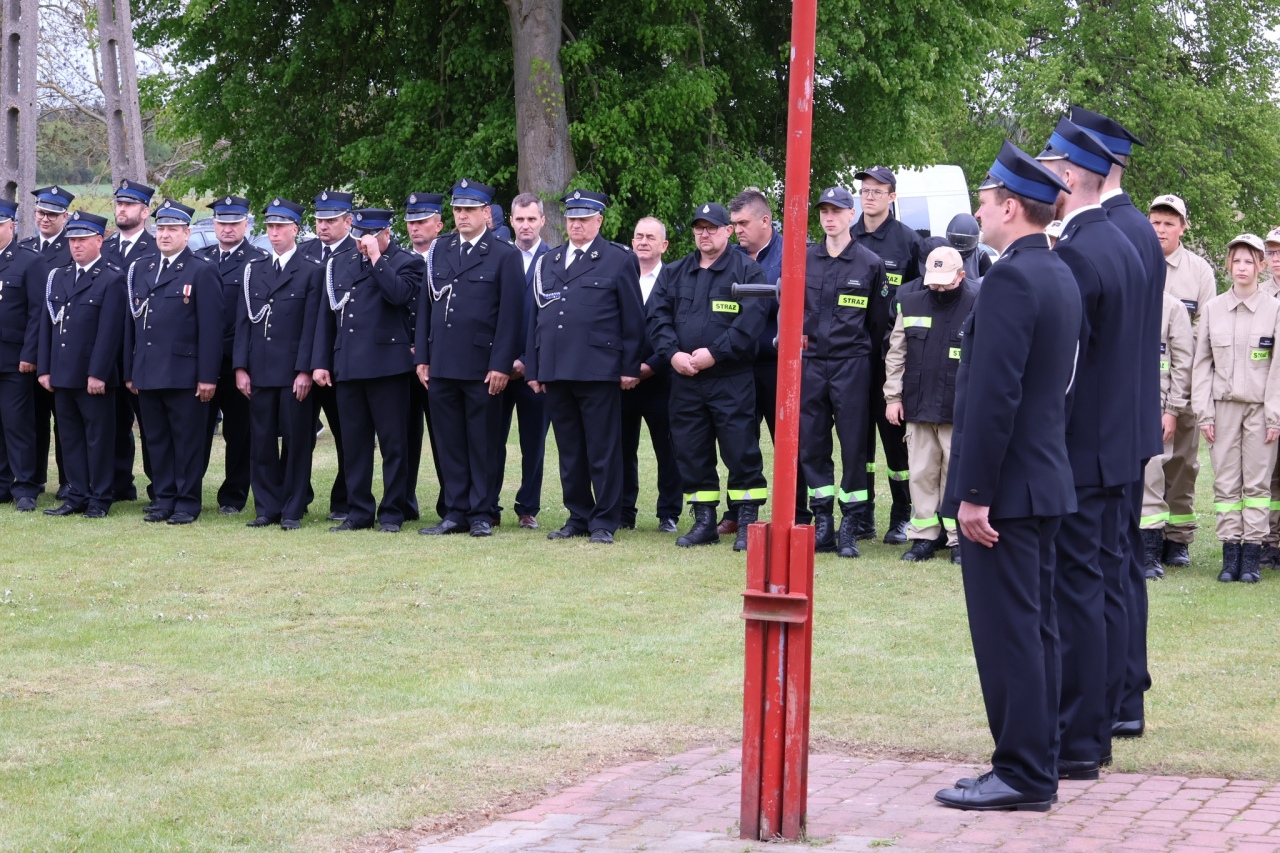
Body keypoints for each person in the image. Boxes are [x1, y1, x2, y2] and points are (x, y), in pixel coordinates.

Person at [934, 141, 1080, 813]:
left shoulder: (1012, 280)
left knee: (1010, 632)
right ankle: (1035, 759)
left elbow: (995, 397)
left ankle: (1022, 770)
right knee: (1038, 627)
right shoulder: (1057, 273)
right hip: (1043, 478)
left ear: (1011, 207)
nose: (979, 210)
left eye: (987, 200)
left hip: (1008, 491)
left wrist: (974, 494)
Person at [1037, 117, 1145, 781]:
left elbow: (1067, 372)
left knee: (1077, 591)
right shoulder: (1121, 242)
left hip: (1083, 448)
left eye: (1051, 167)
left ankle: (1079, 736)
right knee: (1099, 586)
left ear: (1072, 174)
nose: (1045, 178)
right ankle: (1097, 725)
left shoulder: (1080, 249)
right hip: (1115, 444)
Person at [1069, 106, 1164, 746]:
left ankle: (1121, 692)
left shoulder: (1116, 231)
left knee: (1110, 566)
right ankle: (1126, 690)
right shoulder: (1134, 228)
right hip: (1128, 421)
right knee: (1121, 561)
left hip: (1107, 426)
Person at [647, 202, 769, 551]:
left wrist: (715, 353)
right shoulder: (675, 271)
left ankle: (747, 521)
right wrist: (673, 354)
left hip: (730, 378)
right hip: (685, 379)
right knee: (691, 450)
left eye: (711, 227)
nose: (704, 233)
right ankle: (704, 521)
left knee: (741, 450)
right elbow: (657, 317)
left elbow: (752, 320)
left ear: (727, 231)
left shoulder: (747, 271)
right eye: (698, 227)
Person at [525, 189, 645, 543]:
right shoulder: (549, 260)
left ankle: (605, 520)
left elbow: (633, 321)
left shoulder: (618, 259)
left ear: (599, 221)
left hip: (598, 369)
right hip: (557, 370)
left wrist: (629, 368)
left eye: (584, 218)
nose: (576, 224)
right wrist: (534, 369)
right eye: (571, 218)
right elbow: (536, 318)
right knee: (570, 449)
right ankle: (578, 514)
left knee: (603, 448)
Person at [415, 179, 524, 537]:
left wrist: (501, 365)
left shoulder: (503, 255)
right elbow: (426, 308)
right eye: (458, 210)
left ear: (485, 214)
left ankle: (481, 511)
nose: (461, 216)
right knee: (449, 442)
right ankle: (455, 511)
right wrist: (424, 357)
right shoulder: (439, 250)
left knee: (482, 442)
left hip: (482, 365)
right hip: (443, 362)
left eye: (469, 210)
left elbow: (511, 316)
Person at [312, 207, 422, 533]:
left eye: (372, 235)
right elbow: (327, 318)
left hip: (388, 368)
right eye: (362, 235)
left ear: (387, 233)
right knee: (354, 445)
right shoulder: (340, 264)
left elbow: (399, 294)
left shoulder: (407, 262)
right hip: (349, 365)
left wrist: (377, 259)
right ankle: (358, 511)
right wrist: (321, 361)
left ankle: (392, 512)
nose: (365, 241)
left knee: (393, 445)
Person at [798, 186, 887, 558]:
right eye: (823, 211)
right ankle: (823, 522)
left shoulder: (869, 263)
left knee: (854, 446)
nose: (829, 217)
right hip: (812, 365)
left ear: (851, 214)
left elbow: (879, 324)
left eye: (836, 211)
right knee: (812, 444)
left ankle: (851, 522)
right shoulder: (804, 260)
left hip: (852, 365)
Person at [123, 199, 223, 524]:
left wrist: (208, 376)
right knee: (156, 440)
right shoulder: (143, 269)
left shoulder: (202, 270)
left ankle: (187, 501)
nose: (165, 235)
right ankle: (164, 497)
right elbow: (134, 325)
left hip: (185, 373)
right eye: (161, 229)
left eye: (172, 229)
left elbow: (211, 329)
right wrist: (131, 371)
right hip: (149, 371)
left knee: (187, 441)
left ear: (187, 232)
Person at [1191, 234, 1280, 584]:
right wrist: (1204, 413)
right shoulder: (1213, 310)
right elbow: (1201, 365)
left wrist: (1274, 415)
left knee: (1257, 484)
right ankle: (1231, 555)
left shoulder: (1274, 310)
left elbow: (1277, 369)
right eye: (1236, 261)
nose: (1242, 268)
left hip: (1260, 411)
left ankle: (1252, 557)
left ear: (1260, 265)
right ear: (1228, 264)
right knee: (1226, 484)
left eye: (1250, 261)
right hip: (1223, 409)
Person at [234, 198, 323, 530]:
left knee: (298, 442)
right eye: (270, 227)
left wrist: (304, 370)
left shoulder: (311, 270)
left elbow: (312, 326)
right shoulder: (254, 270)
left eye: (280, 227)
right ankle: (267, 507)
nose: (274, 233)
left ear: (295, 230)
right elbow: (244, 322)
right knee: (262, 440)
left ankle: (293, 508)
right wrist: (241, 367)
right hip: (260, 370)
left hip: (292, 372)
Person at [884, 246, 976, 564]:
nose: (937, 287)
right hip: (918, 404)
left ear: (961, 275)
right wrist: (893, 397)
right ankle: (923, 536)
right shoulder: (909, 302)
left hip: (958, 407)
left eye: (945, 281)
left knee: (955, 474)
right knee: (921, 473)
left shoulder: (978, 303)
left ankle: (957, 539)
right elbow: (896, 354)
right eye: (932, 280)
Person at [36, 211, 125, 518]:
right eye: (72, 240)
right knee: (69, 437)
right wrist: (45, 368)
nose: (76, 246)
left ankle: (99, 498)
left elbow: (109, 332)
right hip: (63, 373)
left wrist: (97, 373)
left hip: (93, 376)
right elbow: (48, 325)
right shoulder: (58, 276)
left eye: (83, 240)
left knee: (98, 438)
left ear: (99, 241)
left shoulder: (111, 278)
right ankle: (76, 494)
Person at [853, 166, 921, 544]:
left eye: (878, 191)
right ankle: (862, 518)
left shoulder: (908, 242)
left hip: (891, 360)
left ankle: (901, 515)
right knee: (857, 443)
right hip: (850, 358)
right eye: (864, 190)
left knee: (896, 444)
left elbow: (921, 299)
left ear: (892, 197)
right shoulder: (845, 238)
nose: (869, 197)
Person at [1149, 194, 1217, 568]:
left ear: (1183, 227)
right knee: (1147, 461)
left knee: (1183, 463)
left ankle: (1177, 538)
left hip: (1186, 381)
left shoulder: (1199, 272)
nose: (1161, 229)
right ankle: (1147, 531)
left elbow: (1205, 333)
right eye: (1156, 222)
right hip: (1147, 381)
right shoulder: (1137, 261)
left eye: (1169, 223)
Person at [196, 195, 268, 514]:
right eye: (222, 222)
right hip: (201, 362)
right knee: (196, 432)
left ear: (246, 224)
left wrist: (245, 362)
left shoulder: (258, 260)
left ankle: (233, 496)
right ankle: (188, 491)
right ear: (214, 224)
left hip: (240, 361)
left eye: (234, 223)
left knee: (240, 433)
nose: (227, 228)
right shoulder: (199, 258)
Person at [721, 189, 786, 535]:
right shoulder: (729, 258)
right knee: (738, 441)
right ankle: (738, 512)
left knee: (788, 441)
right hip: (738, 365)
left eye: (743, 223)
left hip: (776, 365)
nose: (737, 230)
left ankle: (797, 513)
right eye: (733, 225)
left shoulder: (791, 255)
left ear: (765, 221)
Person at [495, 191, 552, 529]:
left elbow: (552, 320)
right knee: (492, 441)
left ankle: (528, 507)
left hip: (535, 370)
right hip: (499, 369)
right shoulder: (499, 257)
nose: (526, 225)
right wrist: (503, 361)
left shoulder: (555, 260)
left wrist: (527, 361)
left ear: (543, 221)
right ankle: (489, 503)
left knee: (534, 443)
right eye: (520, 219)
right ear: (511, 221)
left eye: (532, 219)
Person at [298, 190, 356, 521]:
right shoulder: (304, 252)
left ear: (348, 221)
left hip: (340, 361)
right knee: (298, 436)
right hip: (304, 361)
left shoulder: (357, 252)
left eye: (331, 220)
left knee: (347, 435)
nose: (323, 226)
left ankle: (344, 499)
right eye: (319, 220)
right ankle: (296, 496)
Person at [622, 216, 682, 533]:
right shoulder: (619, 275)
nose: (643, 241)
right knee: (620, 448)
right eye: (638, 236)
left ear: (664, 245)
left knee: (668, 449)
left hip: (661, 380)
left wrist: (651, 366)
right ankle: (623, 511)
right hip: (621, 381)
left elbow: (678, 329)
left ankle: (669, 513)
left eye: (650, 237)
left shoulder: (675, 279)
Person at [101, 179, 158, 504]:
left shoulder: (155, 247)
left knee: (151, 428)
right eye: (119, 204)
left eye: (129, 204)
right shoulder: (105, 247)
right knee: (112, 424)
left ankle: (158, 488)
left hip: (142, 352)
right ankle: (119, 485)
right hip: (108, 354)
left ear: (145, 211)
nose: (122, 209)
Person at [21, 185, 75, 498]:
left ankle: (69, 481)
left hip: (61, 347)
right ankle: (35, 478)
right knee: (33, 419)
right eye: (41, 212)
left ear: (65, 217)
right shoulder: (25, 248)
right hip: (31, 350)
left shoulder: (73, 248)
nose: (45, 219)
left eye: (52, 214)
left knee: (65, 421)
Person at [1137, 291, 1195, 578]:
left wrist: (1172, 409)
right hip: (1118, 404)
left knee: (1152, 474)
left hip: (1157, 406)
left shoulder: (1172, 307)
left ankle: (1150, 553)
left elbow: (1183, 363)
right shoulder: (1120, 297)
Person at [403, 192, 448, 523]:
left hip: (440, 361)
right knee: (403, 437)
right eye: (411, 223)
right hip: (402, 361)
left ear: (438, 224)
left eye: (422, 222)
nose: (416, 228)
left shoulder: (447, 259)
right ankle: (404, 503)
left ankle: (451, 504)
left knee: (445, 437)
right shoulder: (400, 261)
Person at [0, 197, 45, 511]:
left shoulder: (28, 261)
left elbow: (37, 313)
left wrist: (30, 354)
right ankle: (2, 485)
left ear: (11, 226)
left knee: (18, 425)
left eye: (0, 225)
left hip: (14, 360)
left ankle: (26, 486)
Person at [945, 213, 991, 284]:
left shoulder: (981, 256)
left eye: (967, 241)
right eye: (957, 240)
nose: (961, 247)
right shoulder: (943, 253)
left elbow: (989, 281)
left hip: (973, 293)